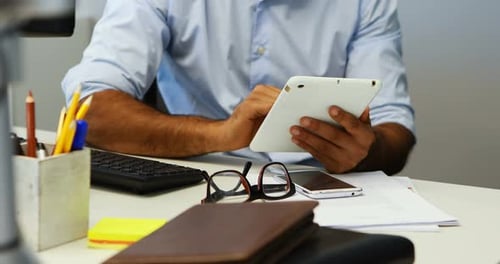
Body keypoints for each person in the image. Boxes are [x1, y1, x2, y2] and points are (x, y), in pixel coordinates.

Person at [62, 0, 415, 175]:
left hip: (324, 192)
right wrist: (222, 134)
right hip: (200, 180)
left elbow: (395, 126)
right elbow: (91, 107)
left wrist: (366, 150)